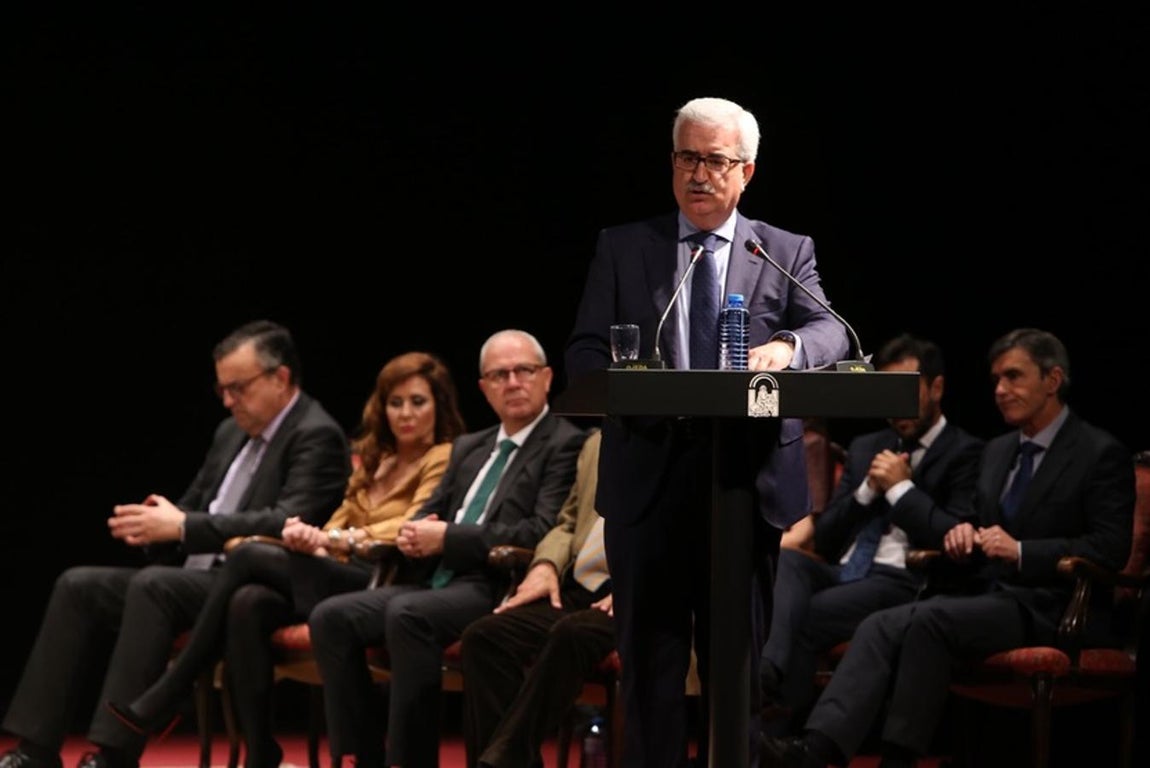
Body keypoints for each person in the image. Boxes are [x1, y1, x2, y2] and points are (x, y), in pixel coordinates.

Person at [564, 96, 850, 767]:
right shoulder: (625, 246)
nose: (700, 174)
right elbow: (583, 353)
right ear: (672, 163)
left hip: (744, 487)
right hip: (650, 483)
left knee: (737, 674)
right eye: (687, 158)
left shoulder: (781, 249)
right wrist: (629, 383)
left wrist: (786, 347)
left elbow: (830, 329)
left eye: (716, 161)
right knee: (650, 676)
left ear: (745, 171)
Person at [761, 328, 1135, 768]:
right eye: (996, 379)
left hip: (1055, 603)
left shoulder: (1097, 452)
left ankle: (893, 756)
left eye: (1013, 377)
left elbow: (1109, 548)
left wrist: (1020, 551)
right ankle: (816, 747)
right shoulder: (999, 451)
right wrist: (964, 535)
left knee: (925, 618)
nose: (1000, 390)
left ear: (1053, 380)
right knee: (886, 623)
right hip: (995, 596)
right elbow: (973, 525)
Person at [0, 320, 351, 768]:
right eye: (222, 389)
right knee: (78, 584)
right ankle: (34, 749)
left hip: (256, 585)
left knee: (154, 587)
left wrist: (182, 526)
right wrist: (153, 526)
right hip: (192, 577)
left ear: (280, 378)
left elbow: (286, 518)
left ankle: (114, 751)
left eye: (238, 388)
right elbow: (195, 504)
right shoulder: (230, 434)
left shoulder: (316, 434)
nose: (228, 401)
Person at [103, 351, 467, 768]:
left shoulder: (444, 456)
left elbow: (408, 525)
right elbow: (341, 518)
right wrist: (310, 538)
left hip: (385, 577)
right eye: (395, 402)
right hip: (341, 570)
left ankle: (175, 687)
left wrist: (333, 538)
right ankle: (260, 752)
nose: (405, 414)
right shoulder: (375, 458)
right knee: (249, 602)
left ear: (439, 405)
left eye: (418, 402)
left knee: (248, 554)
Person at [309, 329, 586, 768]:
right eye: (499, 375)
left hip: (494, 583)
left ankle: (412, 760)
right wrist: (412, 535)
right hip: (435, 580)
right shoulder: (469, 447)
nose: (512, 382)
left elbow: (541, 531)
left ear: (547, 378)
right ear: (484, 388)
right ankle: (363, 754)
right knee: (331, 617)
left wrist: (448, 539)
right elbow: (429, 513)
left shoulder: (565, 442)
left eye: (523, 371)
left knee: (408, 616)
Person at [759, 334, 984, 734]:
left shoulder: (966, 452)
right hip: (845, 571)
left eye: (905, 388)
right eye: (884, 390)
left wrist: (901, 490)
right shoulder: (867, 447)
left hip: (905, 578)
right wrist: (868, 490)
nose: (894, 403)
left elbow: (954, 535)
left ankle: (774, 726)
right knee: (789, 562)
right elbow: (825, 539)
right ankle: (765, 678)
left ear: (936, 387)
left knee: (810, 613)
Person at [460, 428, 618, 768]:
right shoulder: (597, 442)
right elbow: (568, 522)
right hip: (580, 583)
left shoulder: (683, 441)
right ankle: (511, 761)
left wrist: (641, 584)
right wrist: (545, 563)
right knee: (484, 636)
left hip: (636, 595)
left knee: (573, 634)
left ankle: (503, 761)